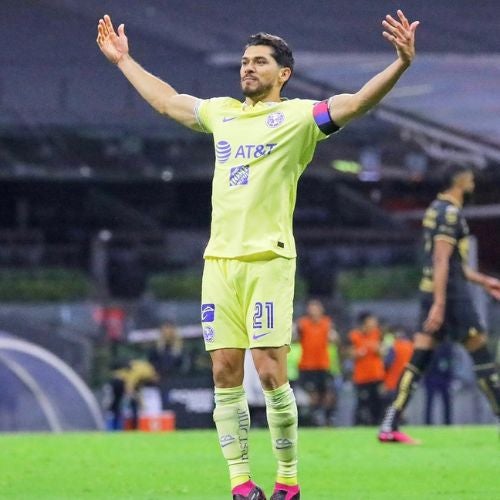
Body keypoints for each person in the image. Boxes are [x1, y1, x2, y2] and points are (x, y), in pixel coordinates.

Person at [97, 10, 419, 499]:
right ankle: (241, 484)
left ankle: (288, 480)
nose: (247, 68)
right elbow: (167, 102)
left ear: (282, 74)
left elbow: (354, 104)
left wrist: (400, 64)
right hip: (219, 262)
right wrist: (124, 61)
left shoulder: (298, 118)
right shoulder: (223, 112)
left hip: (269, 260)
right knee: (224, 370)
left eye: (259, 62)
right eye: (245, 61)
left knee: (270, 372)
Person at [379, 165, 500, 444]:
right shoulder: (451, 212)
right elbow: (442, 260)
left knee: (418, 360)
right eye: (470, 180)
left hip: (434, 291)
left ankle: (389, 423)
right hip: (451, 297)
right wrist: (440, 304)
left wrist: (484, 281)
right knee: (482, 357)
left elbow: (451, 262)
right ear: (459, 181)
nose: (472, 185)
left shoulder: (435, 208)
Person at [297, 299, 338, 426]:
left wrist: (334, 337)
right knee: (312, 395)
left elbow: (334, 339)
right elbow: (295, 336)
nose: (313, 311)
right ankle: (314, 418)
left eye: (316, 308)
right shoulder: (303, 324)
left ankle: (328, 418)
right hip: (308, 365)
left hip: (323, 365)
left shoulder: (327, 323)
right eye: (311, 308)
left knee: (328, 393)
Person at [348, 312, 385, 425]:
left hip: (377, 376)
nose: (374, 323)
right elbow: (349, 353)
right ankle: (358, 425)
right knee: (362, 404)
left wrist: (378, 349)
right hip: (362, 378)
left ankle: (377, 425)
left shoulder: (378, 334)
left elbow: (383, 351)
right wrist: (359, 353)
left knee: (378, 403)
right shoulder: (354, 335)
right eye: (371, 321)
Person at [423, 340, 454, 425]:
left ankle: (447, 422)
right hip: (431, 376)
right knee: (429, 401)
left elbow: (450, 360)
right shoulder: (430, 343)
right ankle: (428, 422)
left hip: (443, 377)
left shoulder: (447, 344)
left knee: (446, 401)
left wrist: (450, 376)